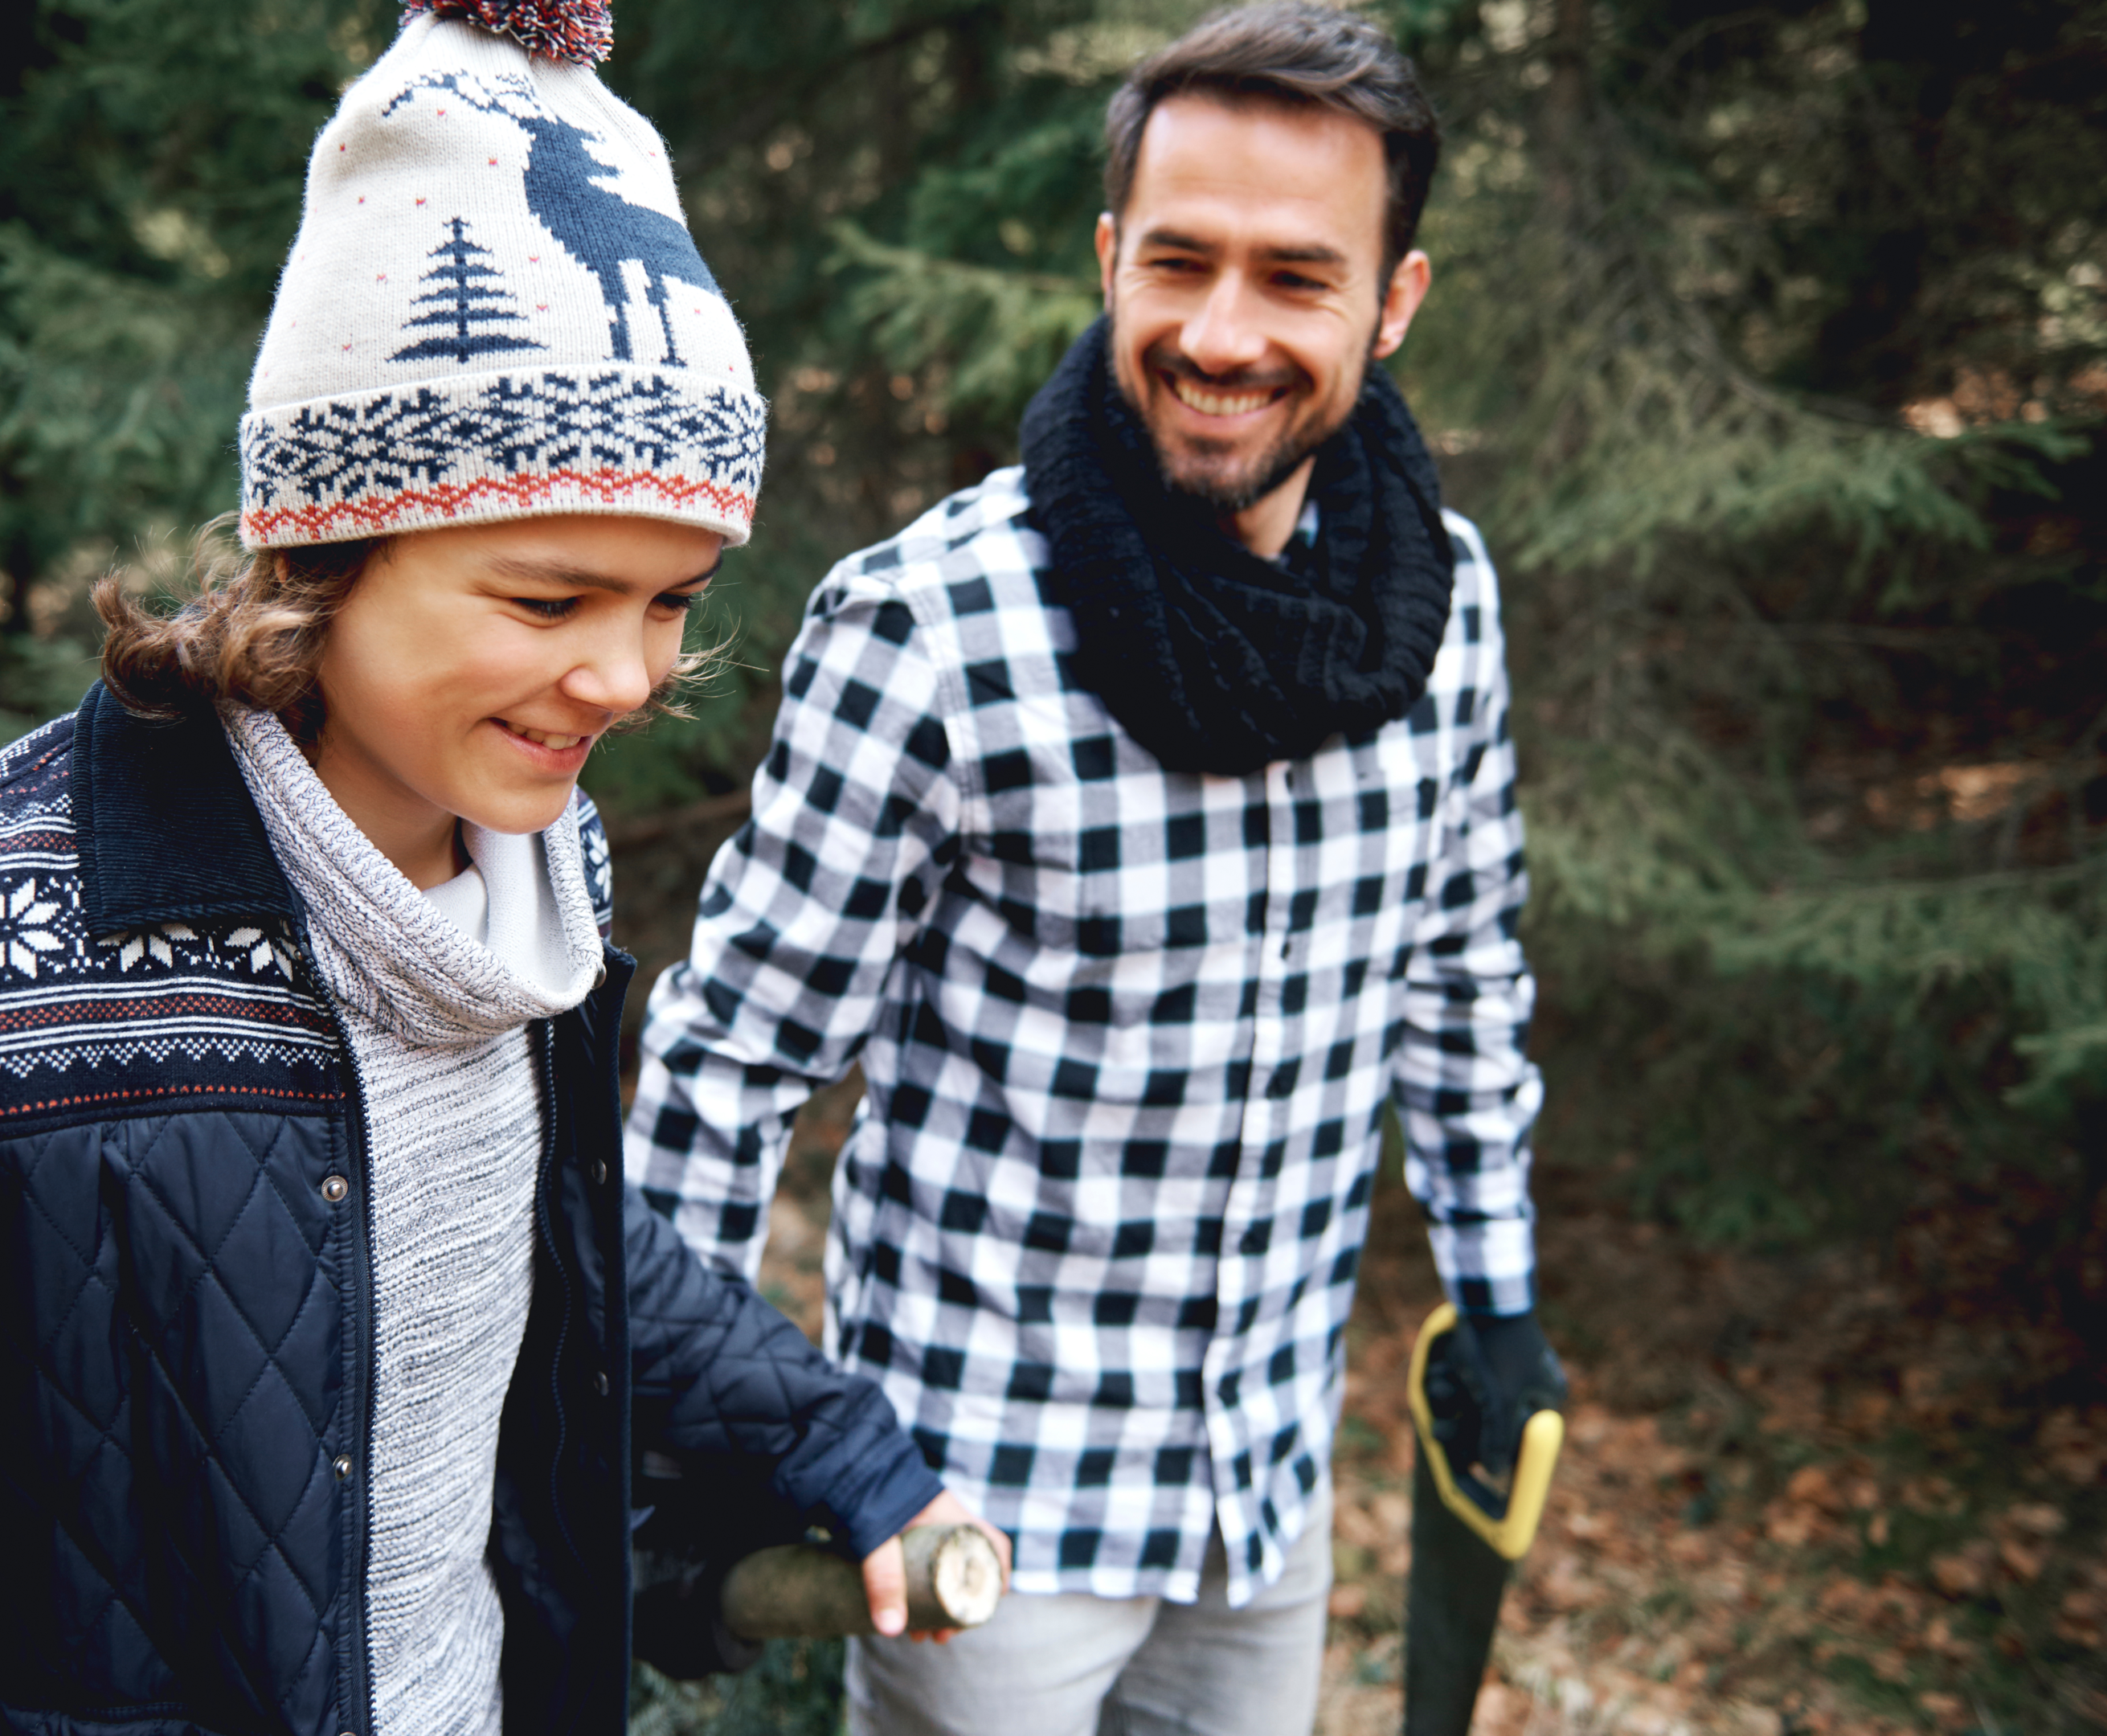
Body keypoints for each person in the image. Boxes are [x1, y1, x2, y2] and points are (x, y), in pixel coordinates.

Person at [0, 4, 994, 1732]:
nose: (629, 680)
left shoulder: (527, 874)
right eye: (549, 599)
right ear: (323, 553)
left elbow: (538, 1228)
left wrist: (843, 1449)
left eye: (670, 604)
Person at [627, 4, 1565, 1731]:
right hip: (976, 1516)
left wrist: (1494, 1297)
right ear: (1108, 256)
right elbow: (730, 1063)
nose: (1221, 334)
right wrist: (686, 1440)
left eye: (1295, 277)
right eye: (1180, 262)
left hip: (1263, 1493)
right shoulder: (934, 627)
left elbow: (1460, 973)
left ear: (1395, 300)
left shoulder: (1446, 598)